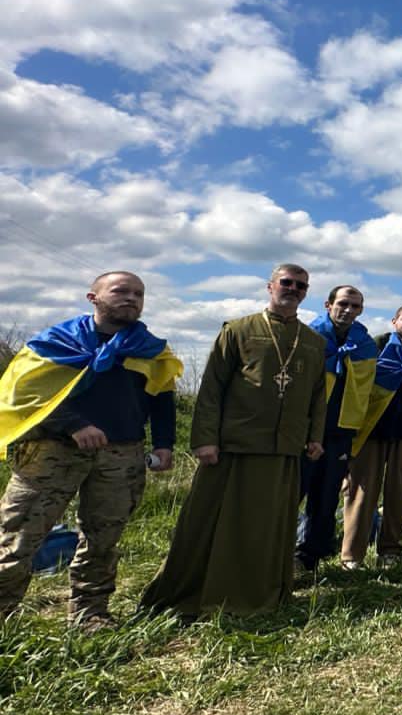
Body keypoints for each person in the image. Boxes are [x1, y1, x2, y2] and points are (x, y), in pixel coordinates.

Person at [141, 263, 326, 616]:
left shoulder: (314, 342)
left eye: (301, 286)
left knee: (269, 527)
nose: (293, 289)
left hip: (284, 448)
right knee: (213, 522)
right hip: (234, 446)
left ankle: (262, 591)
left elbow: (319, 395)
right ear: (270, 286)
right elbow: (211, 388)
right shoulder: (239, 330)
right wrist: (205, 439)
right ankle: (205, 591)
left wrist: (314, 437)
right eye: (286, 283)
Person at [0, 272, 181, 629]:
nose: (131, 298)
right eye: (120, 291)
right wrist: (74, 425)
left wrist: (164, 445)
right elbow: (24, 394)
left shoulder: (150, 349)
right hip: (53, 451)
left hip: (122, 454)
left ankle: (90, 613)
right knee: (18, 537)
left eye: (138, 293)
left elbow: (162, 399)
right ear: (93, 297)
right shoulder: (53, 343)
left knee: (103, 538)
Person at [343, 305, 402, 570]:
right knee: (361, 492)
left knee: (400, 494)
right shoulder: (376, 346)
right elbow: (356, 386)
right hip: (371, 431)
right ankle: (352, 555)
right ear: (394, 321)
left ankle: (390, 551)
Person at [297, 285, 377, 572]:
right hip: (303, 429)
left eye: (355, 306)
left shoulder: (365, 344)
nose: (348, 310)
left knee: (327, 495)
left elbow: (368, 391)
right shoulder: (307, 337)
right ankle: (277, 551)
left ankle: (310, 558)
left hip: (340, 431)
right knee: (293, 491)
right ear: (328, 304)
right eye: (343, 303)